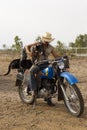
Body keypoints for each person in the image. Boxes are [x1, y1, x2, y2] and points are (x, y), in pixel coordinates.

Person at [25, 32, 59, 106]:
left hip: (46, 63)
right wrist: (30, 52)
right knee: (31, 71)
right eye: (45, 39)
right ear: (43, 39)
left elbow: (56, 55)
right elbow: (27, 47)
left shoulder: (50, 47)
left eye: (48, 40)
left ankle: (48, 97)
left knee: (52, 76)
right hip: (38, 64)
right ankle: (34, 91)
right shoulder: (37, 45)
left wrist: (61, 58)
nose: (46, 41)